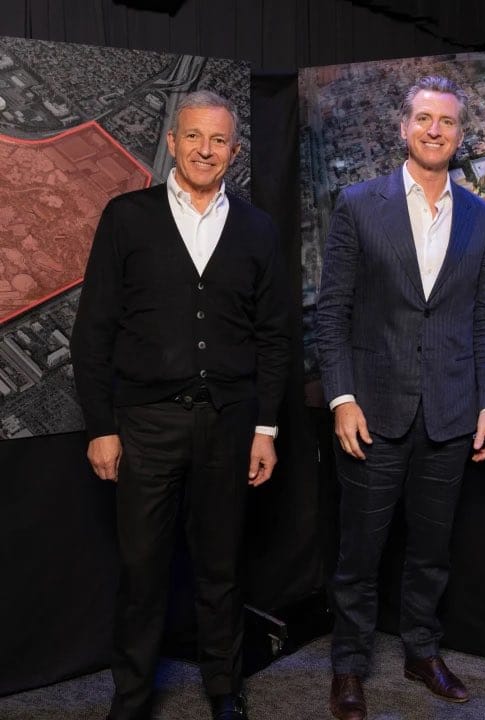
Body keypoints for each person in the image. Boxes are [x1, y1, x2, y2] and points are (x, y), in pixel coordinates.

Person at [72, 90, 290, 720]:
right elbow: (94, 334)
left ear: (234, 151)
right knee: (143, 572)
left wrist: (266, 428)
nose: (205, 149)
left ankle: (224, 688)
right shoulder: (126, 218)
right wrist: (102, 427)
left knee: (220, 568)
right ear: (172, 142)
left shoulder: (257, 228)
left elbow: (274, 336)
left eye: (218, 140)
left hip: (230, 425)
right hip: (144, 428)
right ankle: (133, 696)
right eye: (193, 136)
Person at [315, 75, 485, 720]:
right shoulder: (358, 204)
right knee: (359, 553)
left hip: (452, 414)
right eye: (423, 119)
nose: (434, 130)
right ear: (404, 127)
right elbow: (331, 312)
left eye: (446, 122)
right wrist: (340, 396)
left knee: (431, 551)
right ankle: (349, 666)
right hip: (372, 411)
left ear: (459, 134)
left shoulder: (483, 216)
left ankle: (423, 652)